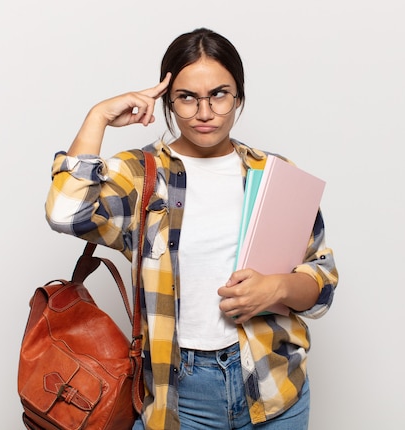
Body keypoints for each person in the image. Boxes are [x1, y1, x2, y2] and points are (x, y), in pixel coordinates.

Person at [46, 28, 338, 430]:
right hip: (180, 395)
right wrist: (97, 117)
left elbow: (321, 283)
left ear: (239, 96)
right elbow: (66, 213)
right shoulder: (141, 175)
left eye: (219, 94)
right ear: (167, 100)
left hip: (273, 385)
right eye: (187, 98)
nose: (205, 112)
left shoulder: (273, 174)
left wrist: (278, 288)